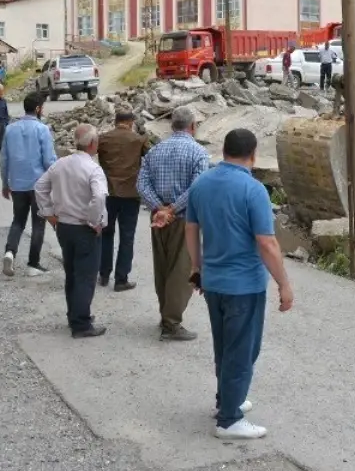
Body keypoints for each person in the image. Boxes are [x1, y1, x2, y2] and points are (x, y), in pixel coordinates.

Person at [186, 128, 294, 439]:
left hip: (214, 282)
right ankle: (230, 420)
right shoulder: (253, 190)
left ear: (224, 151)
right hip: (244, 284)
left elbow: (190, 230)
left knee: (225, 346)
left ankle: (227, 400)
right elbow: (267, 242)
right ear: (253, 154)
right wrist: (284, 284)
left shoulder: (201, 184)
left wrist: (197, 267)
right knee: (243, 350)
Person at [136, 106, 210, 341]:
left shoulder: (155, 151)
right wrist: (173, 209)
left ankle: (166, 315)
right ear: (193, 127)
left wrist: (159, 208)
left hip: (159, 218)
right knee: (182, 270)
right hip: (183, 219)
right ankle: (171, 323)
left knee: (163, 268)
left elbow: (141, 184)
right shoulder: (198, 152)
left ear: (172, 126)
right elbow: (198, 188)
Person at [34, 123, 108, 338]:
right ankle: (81, 323)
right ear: (93, 144)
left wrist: (48, 213)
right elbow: (99, 197)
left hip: (64, 225)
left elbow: (40, 187)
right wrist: (94, 221)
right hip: (84, 227)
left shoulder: (60, 164)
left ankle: (75, 314)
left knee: (72, 273)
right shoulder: (93, 169)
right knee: (85, 275)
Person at [1, 92, 56, 278]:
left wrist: (4, 183)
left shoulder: (10, 129)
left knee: (18, 220)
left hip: (17, 184)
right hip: (39, 185)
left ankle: (10, 252)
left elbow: (4, 160)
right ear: (39, 108)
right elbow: (49, 160)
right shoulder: (42, 129)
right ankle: (33, 263)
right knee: (38, 224)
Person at [96, 108, 149, 291]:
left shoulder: (103, 139)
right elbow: (148, 158)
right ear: (131, 122)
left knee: (106, 234)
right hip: (130, 194)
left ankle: (103, 274)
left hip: (108, 193)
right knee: (127, 237)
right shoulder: (138, 140)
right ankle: (121, 279)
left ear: (115, 121)